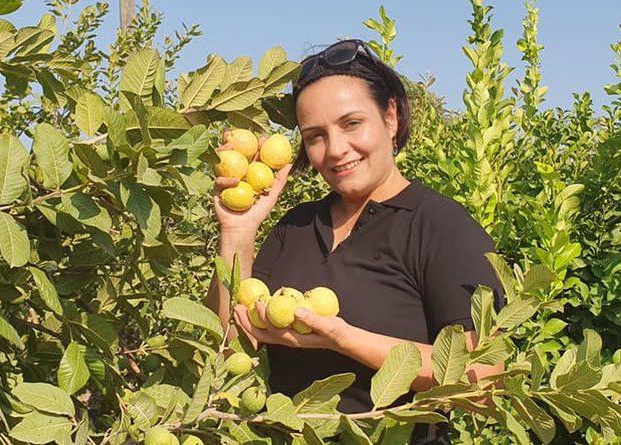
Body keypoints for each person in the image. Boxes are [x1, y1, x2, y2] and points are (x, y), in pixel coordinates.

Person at [206, 39, 504, 444]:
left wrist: (342, 338)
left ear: (391, 117)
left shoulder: (442, 227)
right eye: (315, 136)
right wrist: (237, 233)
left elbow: (482, 383)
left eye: (351, 124)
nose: (336, 150)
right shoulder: (296, 225)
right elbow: (227, 344)